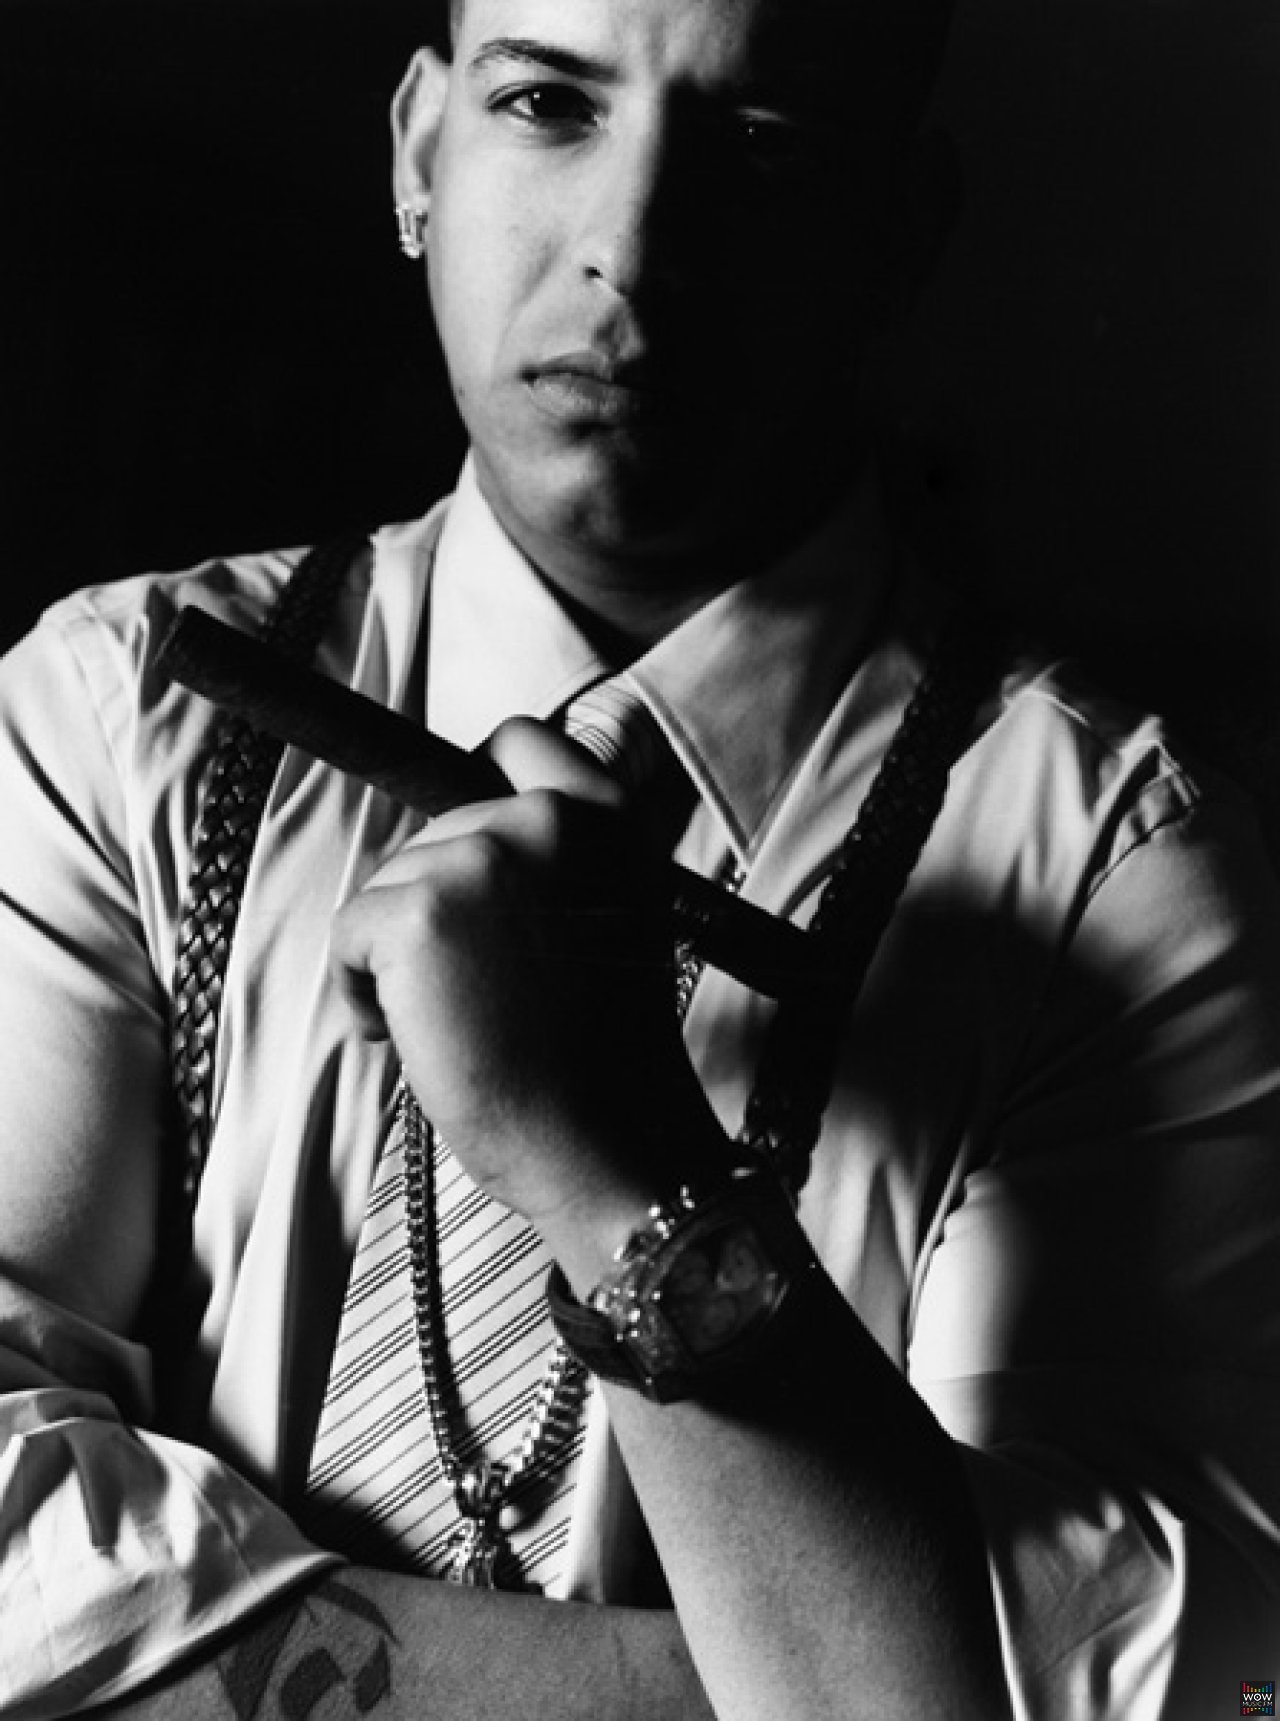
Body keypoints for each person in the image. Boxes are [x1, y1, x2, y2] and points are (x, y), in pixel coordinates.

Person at [1, 1, 1278, 1718]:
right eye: (548, 102)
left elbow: (1164, 1678)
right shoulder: (117, 717)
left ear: (899, 231)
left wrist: (613, 1163)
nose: (631, 250)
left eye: (763, 150)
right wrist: (811, 1667)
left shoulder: (1124, 880)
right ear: (419, 152)